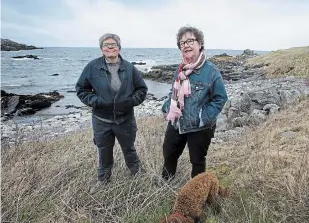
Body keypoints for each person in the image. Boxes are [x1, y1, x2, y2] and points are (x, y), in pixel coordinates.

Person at [75, 33, 148, 193]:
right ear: (101, 49)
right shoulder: (92, 67)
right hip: (101, 119)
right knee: (104, 151)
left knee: (129, 148)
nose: (110, 47)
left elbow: (142, 89)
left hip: (125, 119)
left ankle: (138, 174)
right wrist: (96, 101)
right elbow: (81, 89)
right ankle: (103, 180)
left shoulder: (129, 68)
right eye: (106, 45)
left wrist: (130, 101)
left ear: (119, 47)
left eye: (113, 44)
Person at [161, 26, 228, 181]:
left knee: (197, 161)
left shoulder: (211, 71)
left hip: (200, 126)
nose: (186, 45)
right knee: (169, 154)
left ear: (200, 44)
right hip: (177, 122)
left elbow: (220, 98)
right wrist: (167, 107)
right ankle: (165, 185)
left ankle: (196, 194)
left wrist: (202, 117)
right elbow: (174, 92)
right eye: (182, 42)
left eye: (190, 40)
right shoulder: (180, 69)